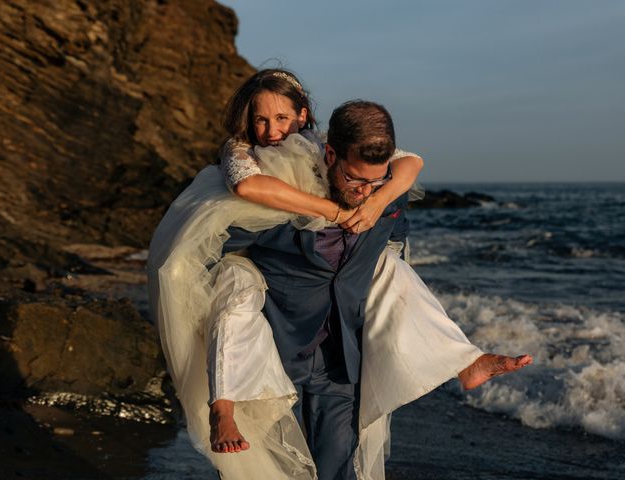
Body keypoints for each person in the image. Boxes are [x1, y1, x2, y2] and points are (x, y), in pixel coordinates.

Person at [147, 71, 532, 480]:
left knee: (390, 271)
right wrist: (331, 211)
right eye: (261, 119)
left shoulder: (373, 181)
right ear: (331, 157)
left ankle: (465, 361)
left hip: (340, 351)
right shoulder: (257, 165)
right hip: (276, 338)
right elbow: (245, 193)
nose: (272, 130)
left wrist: (379, 198)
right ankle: (222, 404)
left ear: (302, 116)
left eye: (282, 119)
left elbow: (411, 163)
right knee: (236, 292)